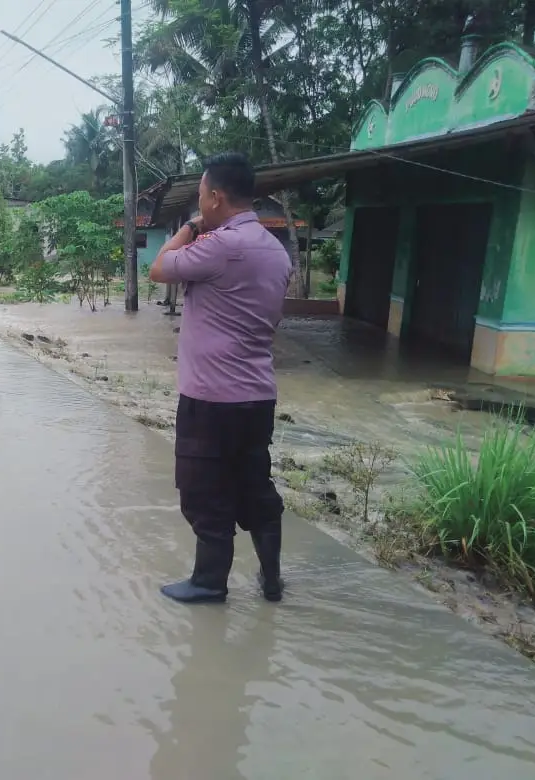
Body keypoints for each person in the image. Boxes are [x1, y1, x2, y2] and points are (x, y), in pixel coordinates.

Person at [148, 152, 292, 605]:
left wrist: (191, 226)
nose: (199, 204)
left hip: (210, 398)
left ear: (215, 197)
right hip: (256, 396)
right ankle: (271, 578)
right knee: (254, 485)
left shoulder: (219, 246)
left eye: (200, 197)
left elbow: (157, 268)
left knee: (203, 489)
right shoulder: (276, 250)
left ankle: (210, 583)